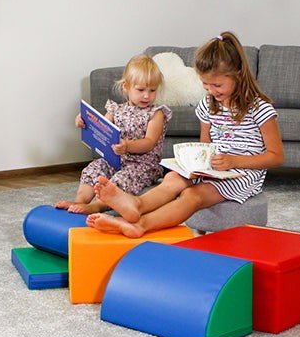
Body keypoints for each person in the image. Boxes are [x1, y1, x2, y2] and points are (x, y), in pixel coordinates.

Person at [87, 32, 284, 237]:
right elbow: (205, 146)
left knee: (193, 194)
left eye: (217, 85)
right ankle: (136, 205)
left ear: (239, 75)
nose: (211, 91)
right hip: (215, 167)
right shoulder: (208, 105)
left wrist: (233, 161)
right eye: (205, 85)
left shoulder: (260, 109)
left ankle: (141, 225)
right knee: (172, 178)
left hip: (244, 174)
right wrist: (196, 165)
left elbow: (276, 156)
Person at [56, 54, 172, 214]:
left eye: (152, 90)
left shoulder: (156, 113)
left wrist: (128, 146)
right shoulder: (116, 109)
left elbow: (149, 142)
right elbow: (101, 127)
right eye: (141, 90)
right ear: (126, 87)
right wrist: (83, 122)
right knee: (93, 169)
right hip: (115, 160)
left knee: (120, 180)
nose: (147, 95)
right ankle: (80, 201)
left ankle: (97, 206)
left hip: (143, 165)